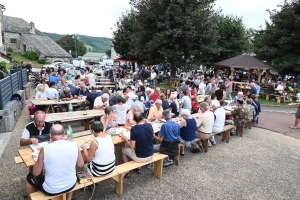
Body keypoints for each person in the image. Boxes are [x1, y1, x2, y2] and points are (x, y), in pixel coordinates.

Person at [26, 124, 84, 200]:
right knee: (70, 172)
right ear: (64, 134)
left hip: (51, 189)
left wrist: (39, 162)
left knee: (29, 178)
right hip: (71, 184)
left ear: (50, 135)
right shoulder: (74, 145)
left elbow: (36, 173)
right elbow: (81, 164)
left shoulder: (45, 149)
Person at [120, 112, 154, 177]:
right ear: (143, 118)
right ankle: (138, 169)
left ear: (134, 119)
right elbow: (152, 136)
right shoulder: (149, 125)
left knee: (123, 149)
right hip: (151, 154)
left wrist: (125, 139)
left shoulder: (134, 129)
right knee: (139, 145)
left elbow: (132, 146)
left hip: (141, 157)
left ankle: (127, 172)